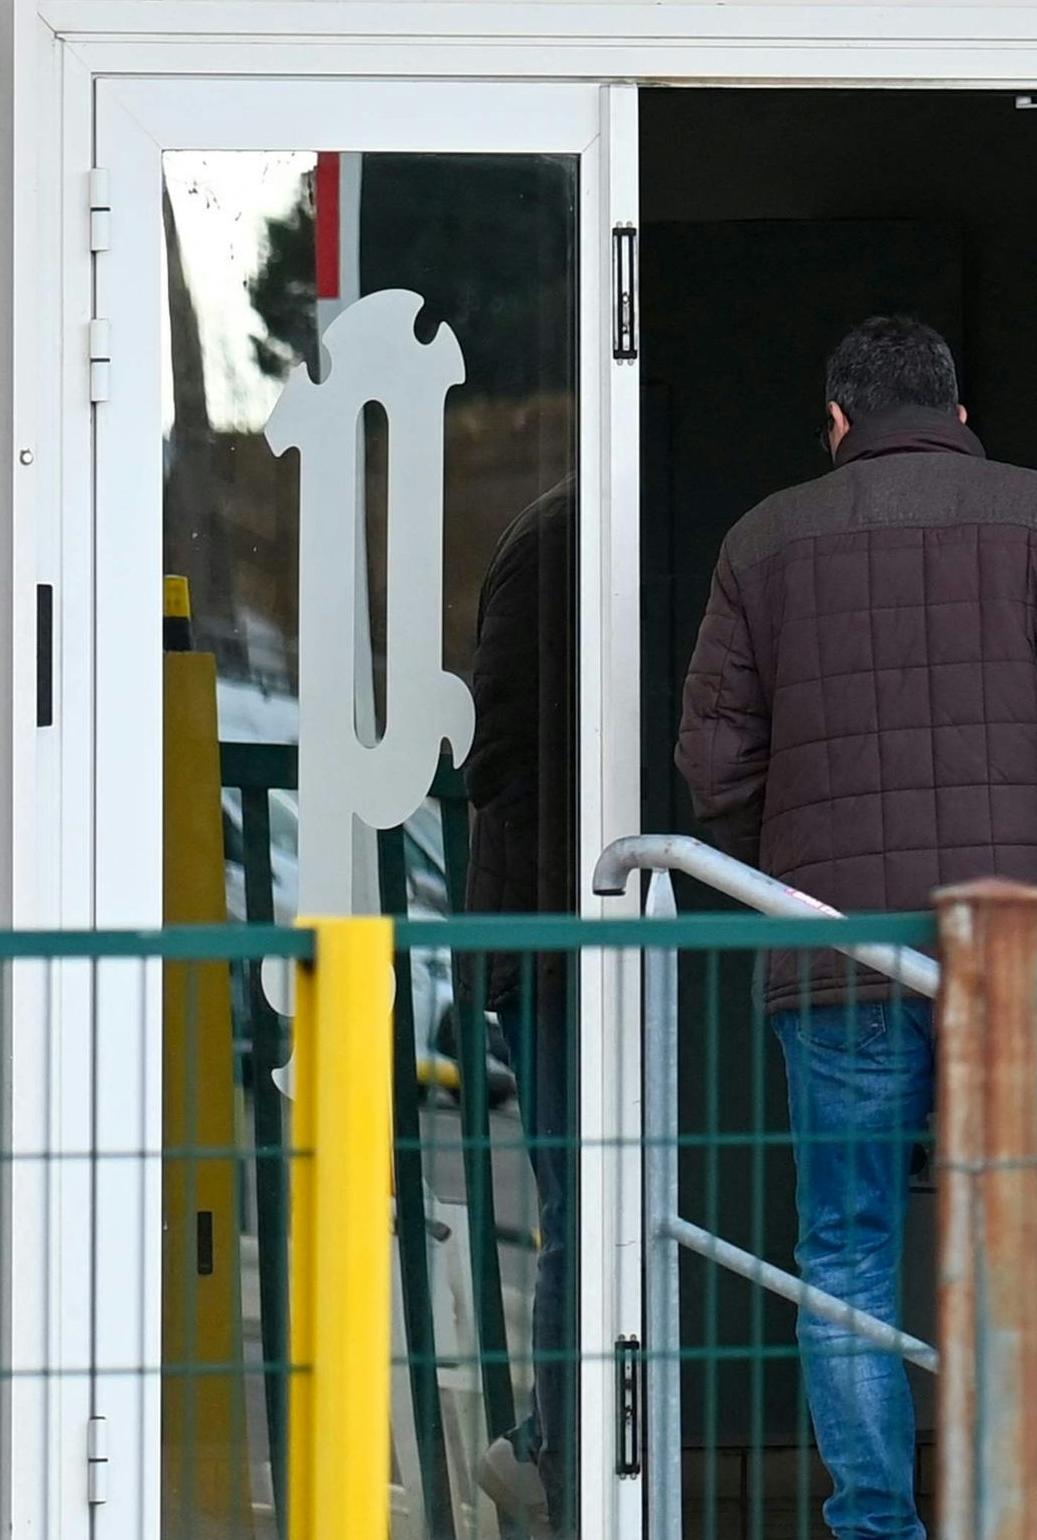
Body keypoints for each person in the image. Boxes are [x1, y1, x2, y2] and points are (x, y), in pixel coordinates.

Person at [674, 316, 1037, 1540]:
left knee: (847, 1252)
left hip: (837, 956)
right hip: (1016, 960)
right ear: (959, 413)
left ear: (837, 421)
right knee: (1012, 1241)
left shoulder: (763, 541)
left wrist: (792, 871)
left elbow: (712, 764)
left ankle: (876, 1526)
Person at [463, 480, 581, 1532]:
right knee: (586, 1208)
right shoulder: (568, 535)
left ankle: (551, 1451)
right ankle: (555, 1456)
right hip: (555, 938)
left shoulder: (549, 531)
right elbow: (496, 754)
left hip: (547, 931)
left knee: (584, 1208)